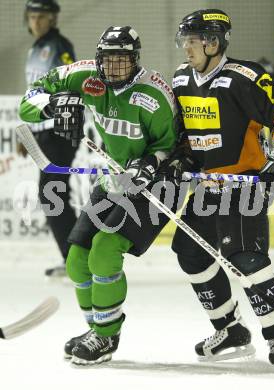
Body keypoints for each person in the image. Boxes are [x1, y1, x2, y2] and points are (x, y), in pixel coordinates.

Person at [19, 25, 177, 365]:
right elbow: (28, 99)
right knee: (77, 260)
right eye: (108, 61)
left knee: (104, 253)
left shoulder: (154, 96)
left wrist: (151, 163)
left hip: (156, 184)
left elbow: (172, 146)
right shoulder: (86, 75)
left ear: (136, 61)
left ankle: (105, 337)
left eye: (122, 62)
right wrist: (52, 105)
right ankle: (97, 331)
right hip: (112, 182)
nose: (114, 69)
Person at [167, 9, 274, 372]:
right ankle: (229, 329)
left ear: (213, 42)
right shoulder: (181, 79)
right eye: (184, 41)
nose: (186, 48)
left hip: (244, 184)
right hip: (206, 186)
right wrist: (180, 158)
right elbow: (182, 132)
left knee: (246, 258)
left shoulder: (245, 77)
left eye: (192, 41)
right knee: (191, 253)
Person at [18, 0, 78, 278]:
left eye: (42, 17)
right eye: (32, 17)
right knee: (53, 193)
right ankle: (75, 256)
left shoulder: (60, 46)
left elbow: (71, 84)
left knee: (51, 192)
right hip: (42, 130)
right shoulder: (34, 49)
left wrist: (66, 129)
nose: (37, 22)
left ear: (53, 19)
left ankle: (75, 258)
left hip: (59, 131)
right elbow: (34, 94)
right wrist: (28, 128)